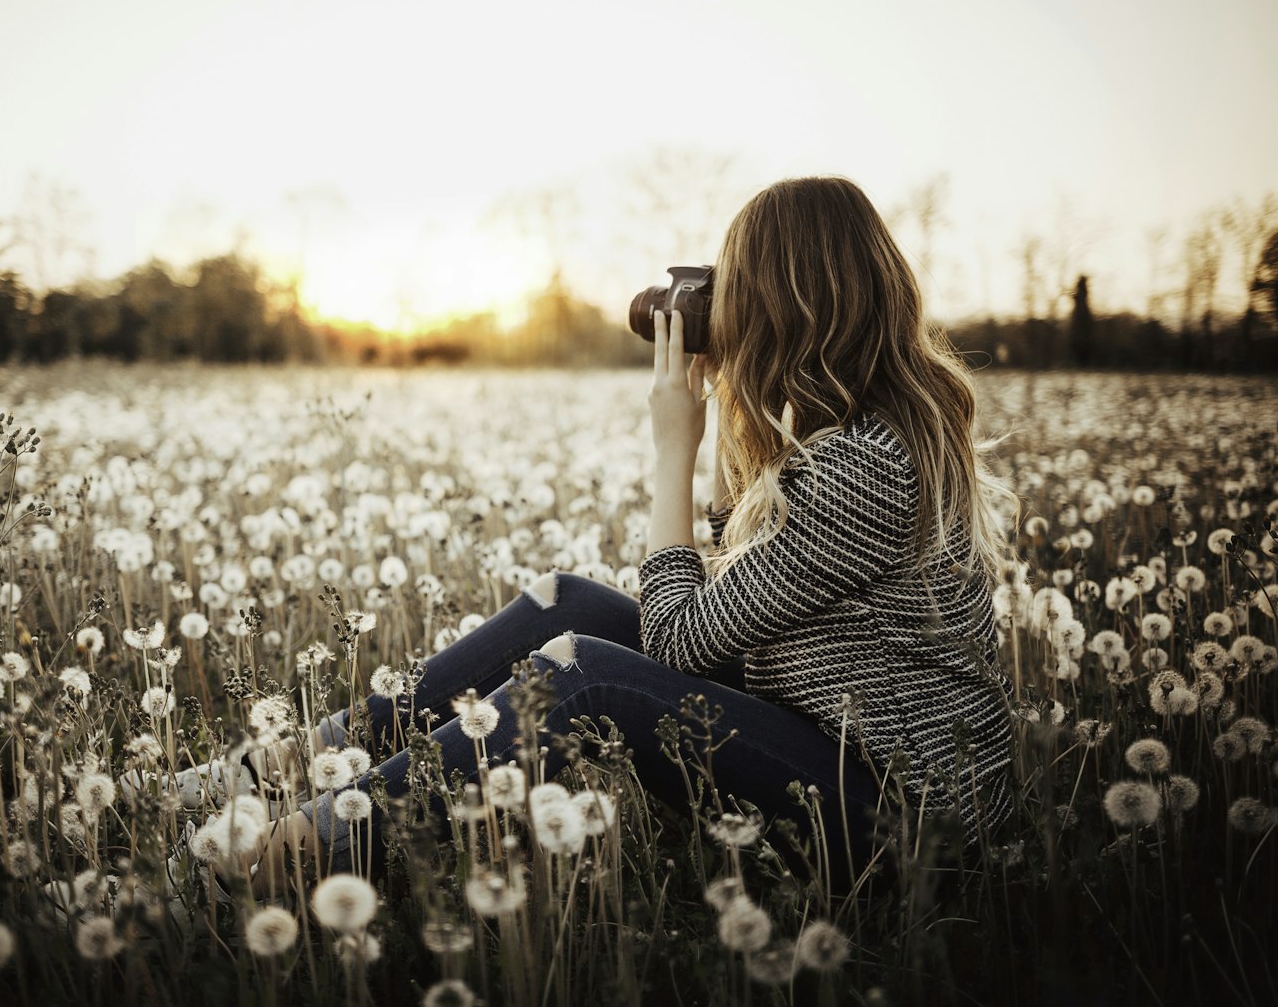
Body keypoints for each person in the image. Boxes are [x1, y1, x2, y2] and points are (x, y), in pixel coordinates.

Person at [222, 175, 1021, 898]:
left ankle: (300, 852)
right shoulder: (866, 434)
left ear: (783, 305)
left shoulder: (864, 467)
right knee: (568, 603)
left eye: (735, 287)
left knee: (587, 673)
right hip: (840, 751)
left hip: (906, 823)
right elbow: (736, 579)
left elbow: (679, 640)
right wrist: (727, 414)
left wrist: (674, 446)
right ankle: (284, 765)